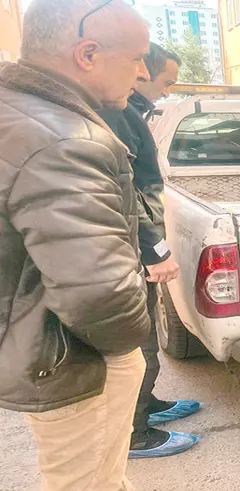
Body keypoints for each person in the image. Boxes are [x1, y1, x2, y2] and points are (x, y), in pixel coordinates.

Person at [0, 0, 153, 489]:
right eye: (137, 58)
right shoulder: (65, 139)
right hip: (78, 363)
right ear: (87, 54)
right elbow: (99, 293)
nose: (143, 73)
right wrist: (130, 345)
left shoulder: (18, 113)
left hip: (40, 346)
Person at [98, 42, 201, 459]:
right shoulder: (116, 116)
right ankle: (136, 435)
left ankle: (148, 405)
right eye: (166, 81)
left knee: (146, 346)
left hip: (135, 248)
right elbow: (125, 195)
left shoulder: (128, 113)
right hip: (130, 252)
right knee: (138, 349)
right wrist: (155, 250)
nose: (166, 90)